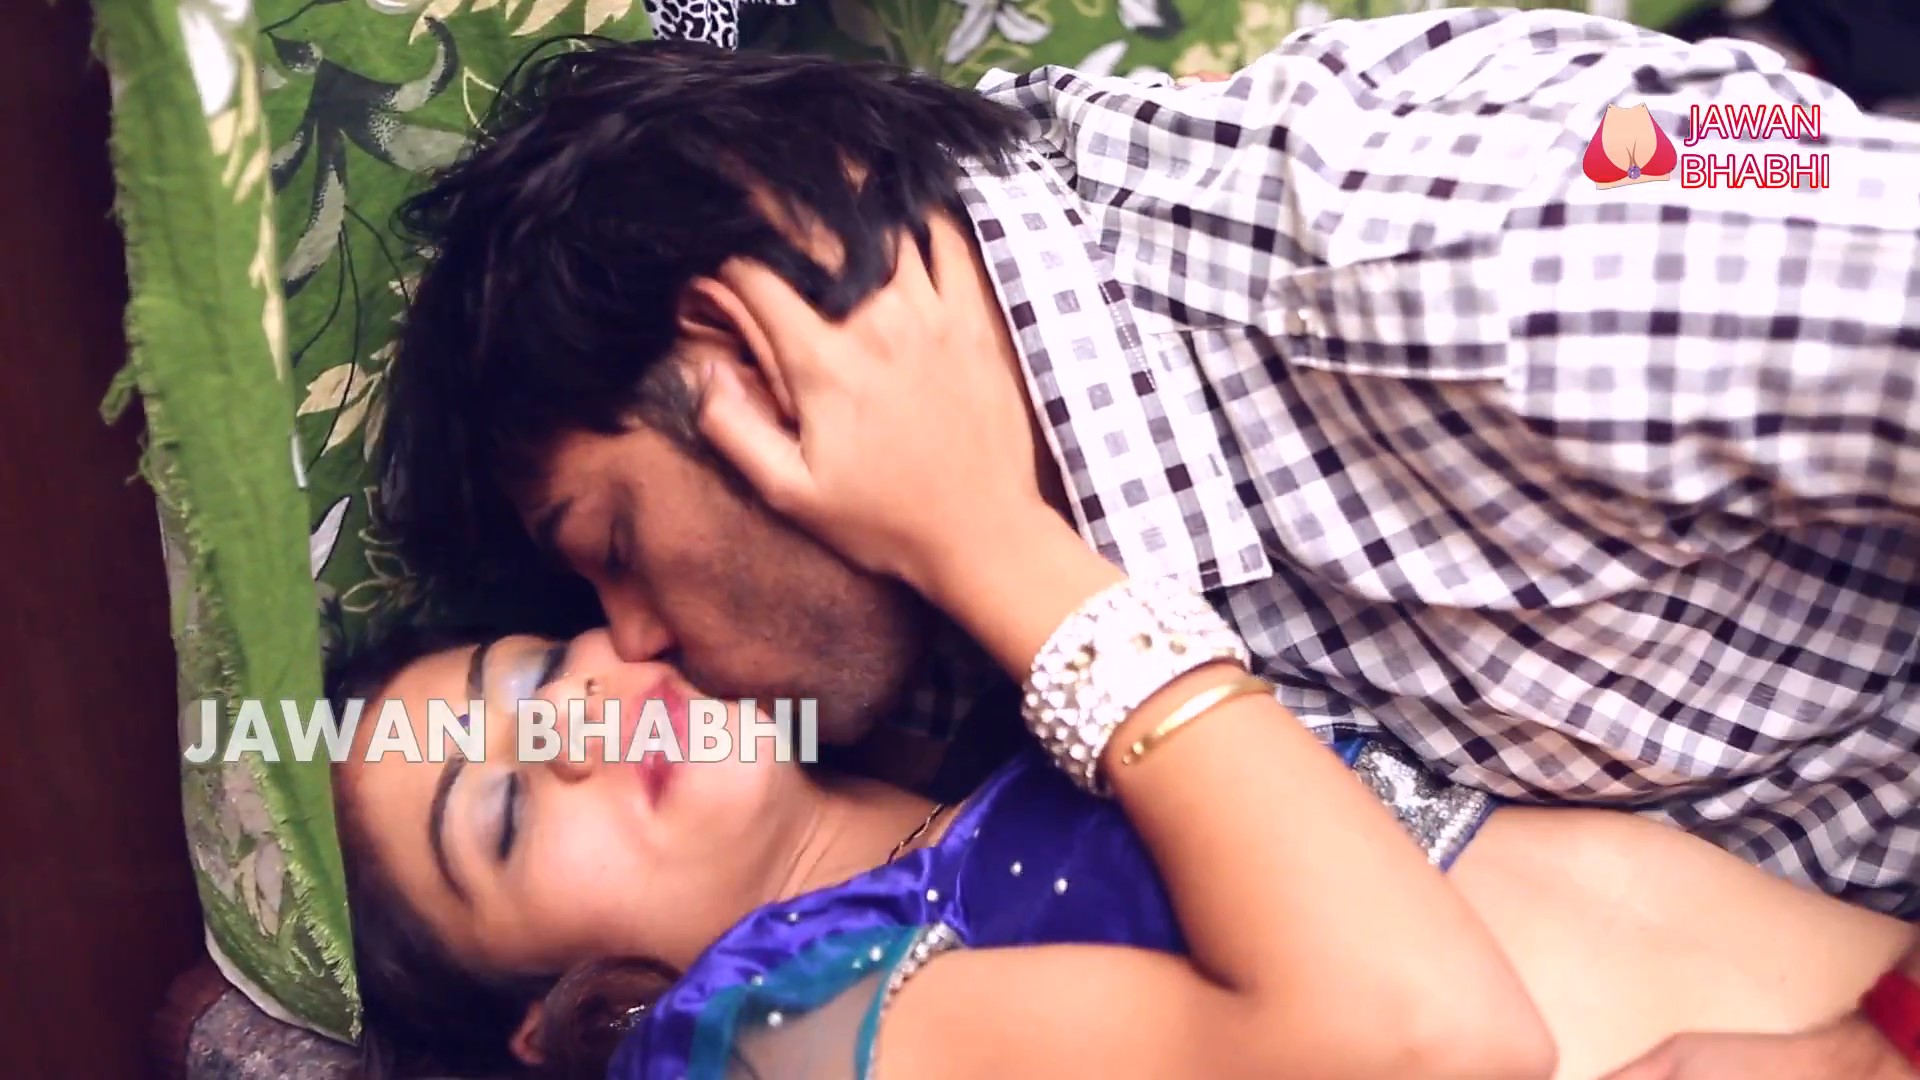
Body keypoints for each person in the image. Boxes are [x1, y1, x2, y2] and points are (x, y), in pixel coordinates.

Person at [374, 9, 1920, 1075]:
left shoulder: (1457, 254)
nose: (628, 647)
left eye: (611, 545)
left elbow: (1764, 167)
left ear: (760, 359)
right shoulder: (886, 715)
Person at [329, 624, 1910, 1080]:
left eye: (538, 678)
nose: (574, 732)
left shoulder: (986, 748)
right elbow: (1434, 1041)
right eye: (504, 813)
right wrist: (986, 539)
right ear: (542, 1018)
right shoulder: (749, 1038)